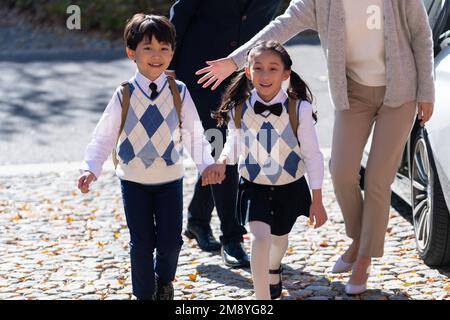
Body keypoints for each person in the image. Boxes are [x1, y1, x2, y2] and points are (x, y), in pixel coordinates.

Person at [196, 0, 435, 295]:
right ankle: (359, 238)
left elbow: (421, 35)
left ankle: (363, 258)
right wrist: (234, 62)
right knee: (342, 172)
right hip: (353, 93)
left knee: (377, 180)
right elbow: (280, 27)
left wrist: (427, 91)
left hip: (401, 91)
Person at [77, 14, 218, 300]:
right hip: (133, 181)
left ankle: (163, 280)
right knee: (141, 243)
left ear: (173, 52)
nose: (157, 55)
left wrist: (207, 164)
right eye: (148, 48)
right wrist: (90, 168)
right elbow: (104, 135)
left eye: (164, 48)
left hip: (170, 181)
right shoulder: (124, 94)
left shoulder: (179, 92)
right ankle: (144, 295)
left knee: (170, 243)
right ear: (132, 53)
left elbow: (193, 132)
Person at [204, 40, 328, 300]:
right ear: (248, 72)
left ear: (286, 74)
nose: (264, 75)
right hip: (253, 184)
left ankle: (274, 268)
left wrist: (317, 198)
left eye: (273, 68)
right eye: (258, 68)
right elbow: (232, 145)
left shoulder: (299, 108)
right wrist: (223, 161)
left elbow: (313, 155)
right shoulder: (238, 109)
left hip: (290, 185)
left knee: (279, 240)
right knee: (260, 238)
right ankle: (262, 299)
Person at [167, 0, 282, 268]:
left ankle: (197, 219)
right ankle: (232, 237)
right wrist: (168, 67)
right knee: (220, 149)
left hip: (247, 75)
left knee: (232, 149)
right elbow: (182, 11)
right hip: (203, 71)